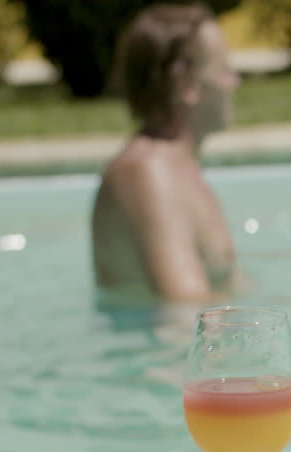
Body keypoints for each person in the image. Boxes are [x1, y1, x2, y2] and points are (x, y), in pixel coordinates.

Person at [92, 3, 243, 303]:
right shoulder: (148, 173)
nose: (235, 81)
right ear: (187, 86)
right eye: (224, 69)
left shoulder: (180, 168)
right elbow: (184, 313)